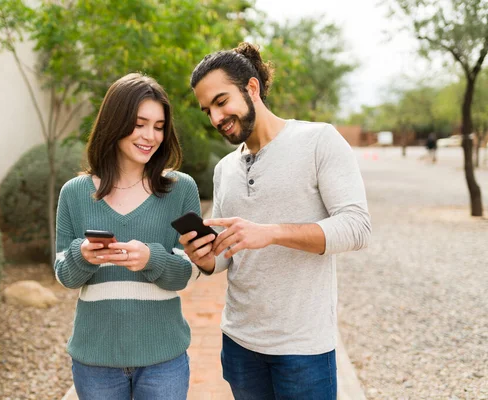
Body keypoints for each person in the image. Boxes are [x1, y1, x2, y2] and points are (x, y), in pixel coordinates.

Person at [180, 43, 372, 400]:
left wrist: (271, 233)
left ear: (252, 88)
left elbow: (357, 228)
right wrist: (205, 257)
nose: (216, 118)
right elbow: (226, 253)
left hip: (303, 348)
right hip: (239, 344)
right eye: (208, 110)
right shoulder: (224, 170)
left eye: (221, 102)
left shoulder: (318, 140)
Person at [54, 73, 201, 400]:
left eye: (159, 126)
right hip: (95, 360)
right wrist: (83, 256)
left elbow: (189, 271)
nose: (151, 136)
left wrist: (153, 258)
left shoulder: (180, 190)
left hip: (164, 359)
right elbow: (64, 274)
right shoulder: (74, 194)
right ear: (115, 123)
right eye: (140, 124)